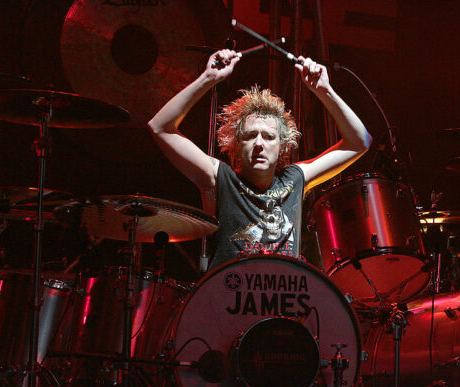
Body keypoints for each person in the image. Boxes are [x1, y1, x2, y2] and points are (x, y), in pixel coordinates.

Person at [148, 49, 371, 270]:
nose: (259, 144)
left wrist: (325, 91)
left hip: (282, 298)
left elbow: (360, 142)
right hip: (229, 297)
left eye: (269, 136)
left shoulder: (294, 179)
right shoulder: (219, 178)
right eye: (250, 135)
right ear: (236, 143)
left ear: (282, 145)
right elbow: (160, 128)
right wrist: (208, 78)